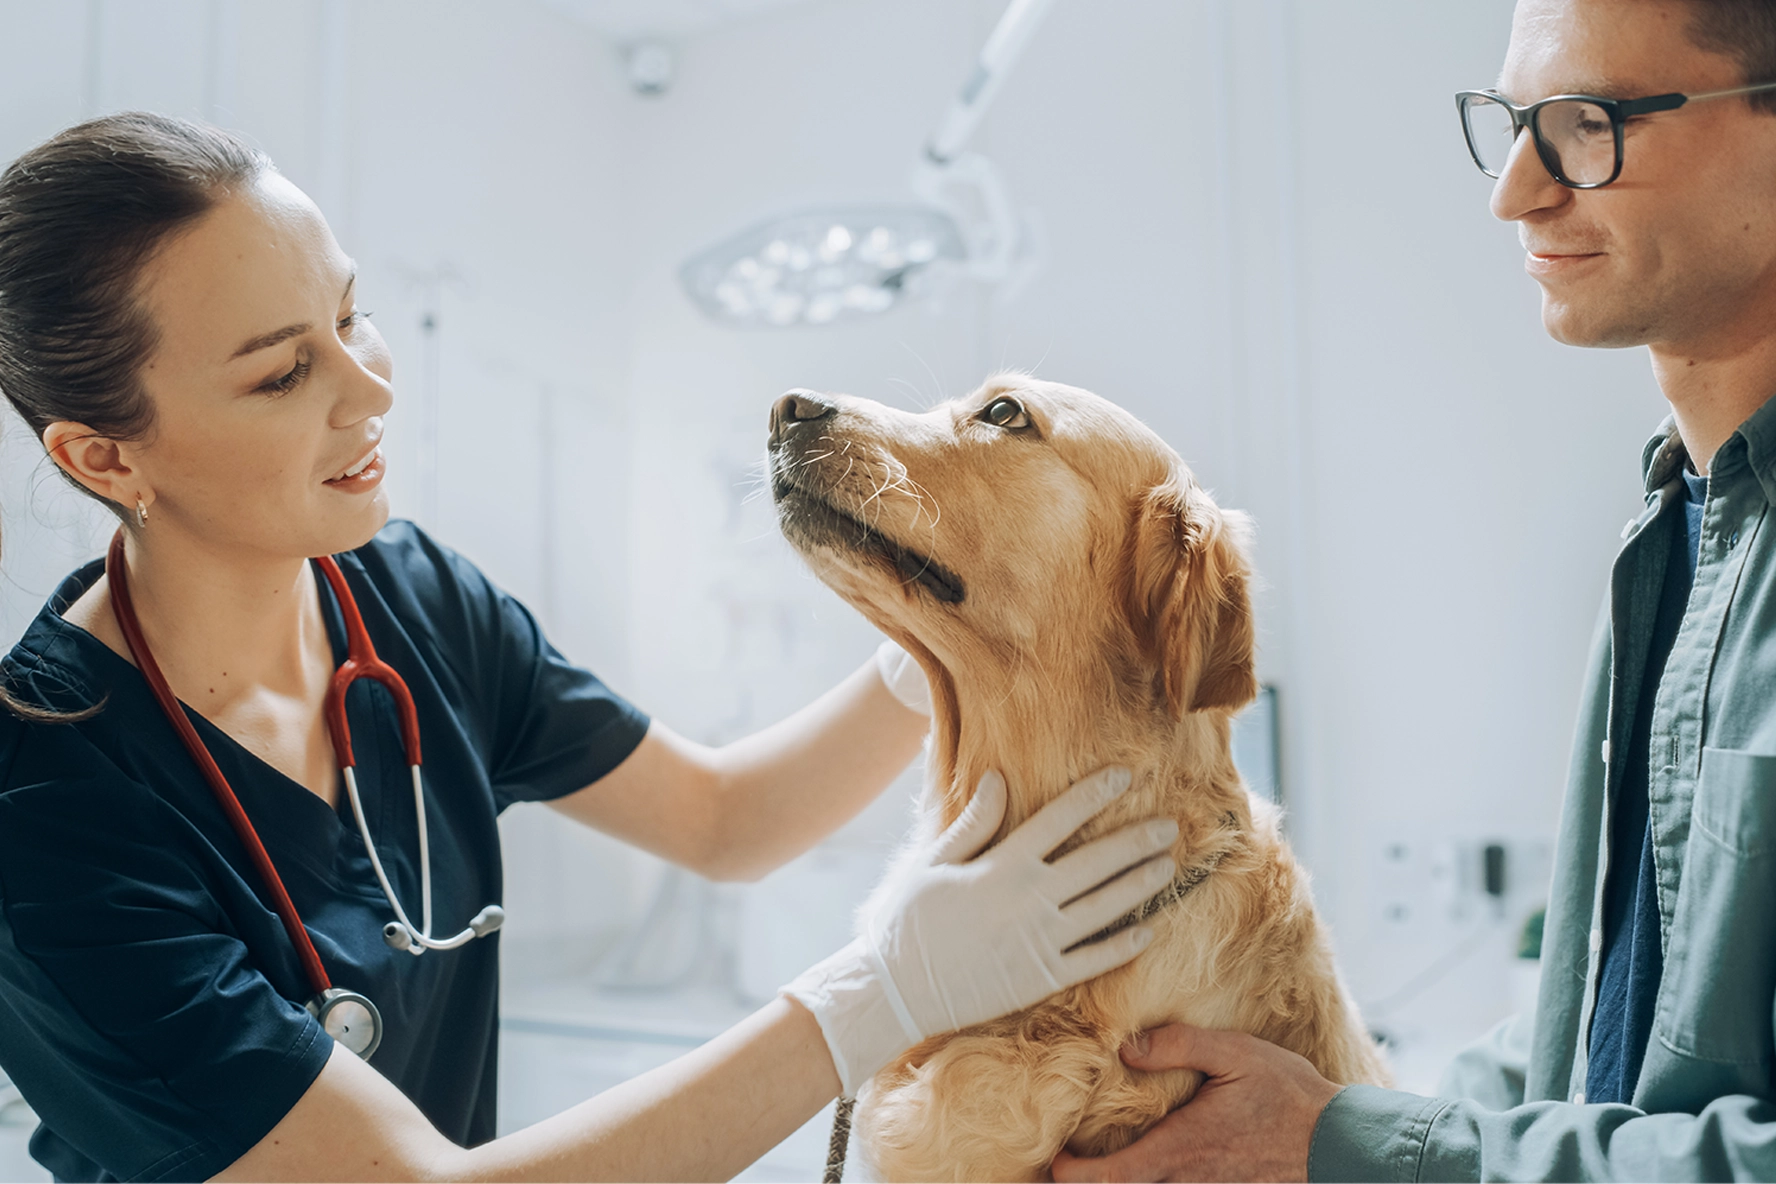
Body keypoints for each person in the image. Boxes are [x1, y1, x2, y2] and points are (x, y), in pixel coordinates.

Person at [0, 112, 1184, 1182]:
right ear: (105, 458)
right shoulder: (45, 790)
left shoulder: (411, 602)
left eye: (351, 314)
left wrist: (948, 633)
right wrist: (878, 993)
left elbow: (727, 819)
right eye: (282, 371)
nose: (370, 389)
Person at [1051, 0, 1776, 1180]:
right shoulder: (1675, 532)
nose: (1517, 193)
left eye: (1589, 125)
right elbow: (1608, 1041)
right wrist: (1298, 1101)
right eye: (1512, 123)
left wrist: (1358, 1141)